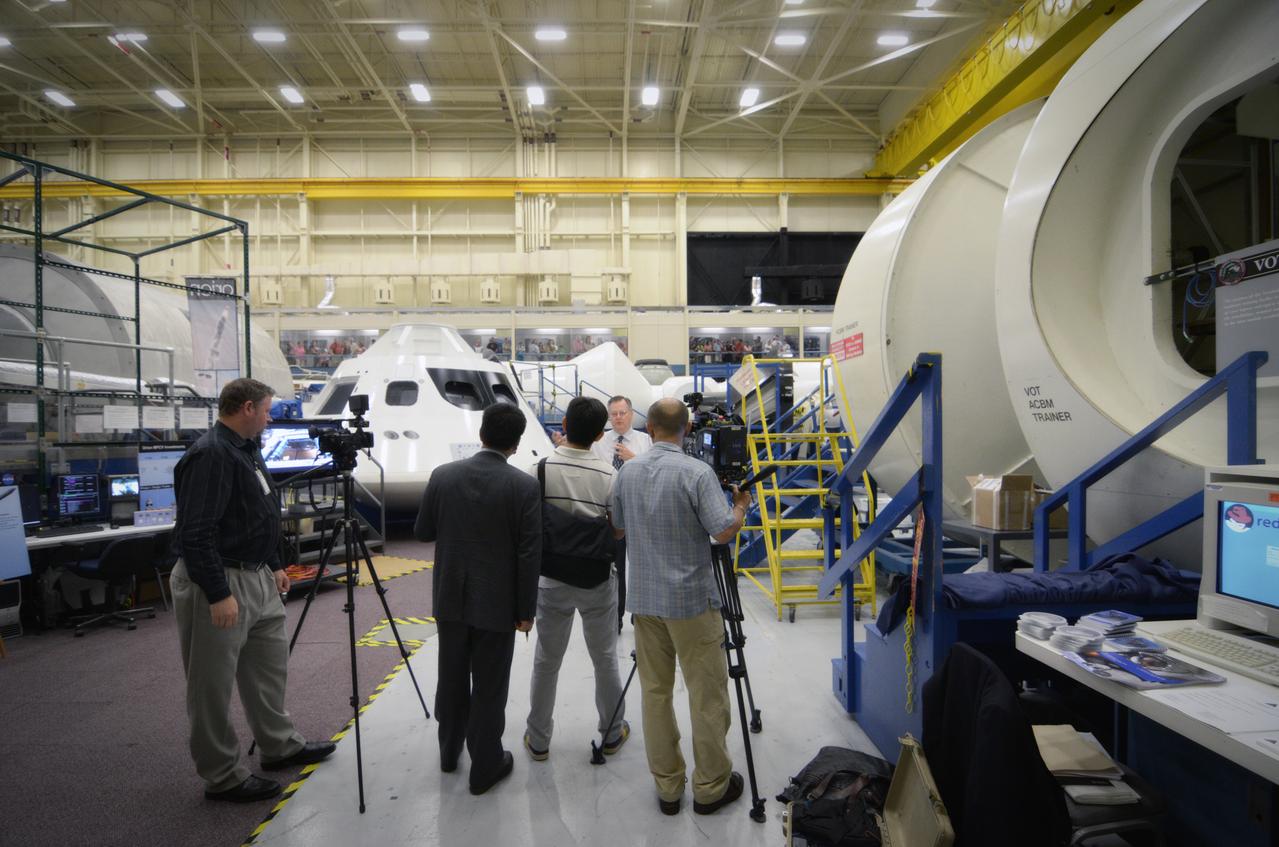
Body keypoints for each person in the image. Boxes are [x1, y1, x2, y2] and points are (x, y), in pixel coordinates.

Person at [170, 377, 335, 803]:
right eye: (266, 410)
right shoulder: (210, 455)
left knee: (267, 668)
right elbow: (196, 531)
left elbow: (258, 512)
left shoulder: (245, 449)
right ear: (246, 408)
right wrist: (216, 591)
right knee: (211, 682)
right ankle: (222, 775)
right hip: (222, 580)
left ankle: (279, 745)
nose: (270, 418)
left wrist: (277, 564)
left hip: (258, 575)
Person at [611, 397, 752, 816]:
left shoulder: (627, 472)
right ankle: (710, 787)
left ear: (649, 430)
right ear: (687, 429)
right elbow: (723, 531)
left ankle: (668, 788)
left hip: (646, 603)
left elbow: (616, 529)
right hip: (692, 603)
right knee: (706, 695)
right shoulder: (697, 472)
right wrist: (741, 505)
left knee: (655, 694)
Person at [414, 403, 542, 795]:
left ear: (481, 432)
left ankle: (449, 752)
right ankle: (485, 765)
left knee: (450, 675)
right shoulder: (523, 486)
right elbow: (528, 555)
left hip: (450, 598)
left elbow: (422, 532)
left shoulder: (443, 475)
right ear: (517, 444)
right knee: (489, 684)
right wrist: (525, 612)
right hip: (498, 604)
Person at [523, 396, 628, 762]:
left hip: (550, 578)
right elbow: (617, 532)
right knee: (604, 658)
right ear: (600, 434)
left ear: (564, 425)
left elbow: (531, 527)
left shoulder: (539, 469)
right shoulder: (610, 475)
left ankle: (538, 739)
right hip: (596, 578)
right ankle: (612, 732)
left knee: (546, 660)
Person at [591, 395, 652, 631]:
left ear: (631, 413)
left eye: (622, 413)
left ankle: (641, 616)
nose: (618, 418)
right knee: (614, 570)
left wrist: (633, 460)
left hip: (639, 513)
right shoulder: (599, 442)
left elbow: (655, 473)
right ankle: (614, 617)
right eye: (613, 414)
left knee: (640, 567)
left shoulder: (645, 441)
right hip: (610, 515)